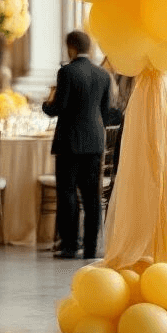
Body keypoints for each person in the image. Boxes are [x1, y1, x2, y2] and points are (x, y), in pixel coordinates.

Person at [42, 30, 111, 260]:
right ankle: (91, 248)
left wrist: (45, 105)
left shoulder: (67, 72)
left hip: (69, 142)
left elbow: (58, 107)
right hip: (94, 142)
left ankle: (71, 245)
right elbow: (105, 112)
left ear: (71, 47)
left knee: (68, 193)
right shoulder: (103, 74)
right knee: (92, 197)